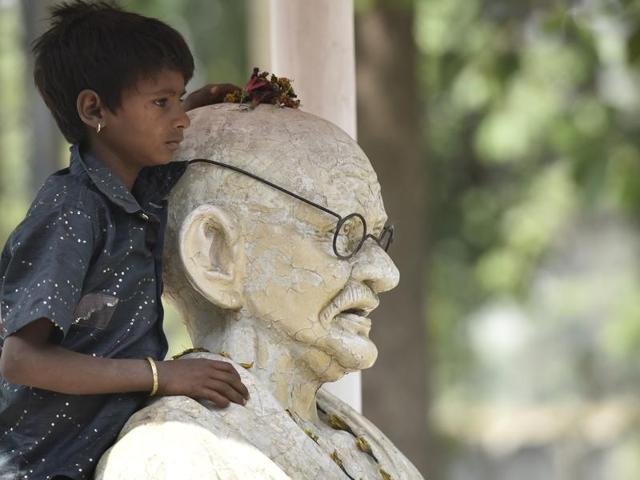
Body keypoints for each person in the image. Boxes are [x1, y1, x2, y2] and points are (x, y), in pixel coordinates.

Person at [95, 103, 423, 479]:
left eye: (377, 238)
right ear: (216, 256)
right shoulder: (175, 456)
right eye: (345, 234)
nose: (386, 272)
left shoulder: (342, 431)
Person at [0, 2, 249, 479]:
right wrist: (162, 377)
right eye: (162, 103)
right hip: (45, 466)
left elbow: (153, 132)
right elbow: (22, 360)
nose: (181, 120)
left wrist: (198, 102)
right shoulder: (72, 208)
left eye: (179, 100)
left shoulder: (137, 190)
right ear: (94, 109)